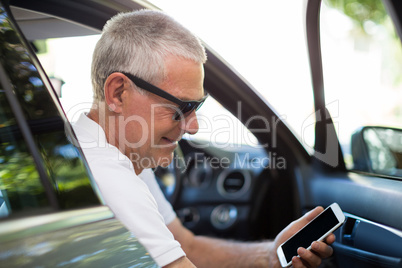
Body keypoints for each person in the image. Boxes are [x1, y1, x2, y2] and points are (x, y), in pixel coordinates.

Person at [72, 9, 335, 268]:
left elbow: (185, 245)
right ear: (118, 93)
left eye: (196, 107)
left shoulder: (122, 154)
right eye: (182, 107)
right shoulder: (110, 176)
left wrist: (271, 255)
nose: (193, 126)